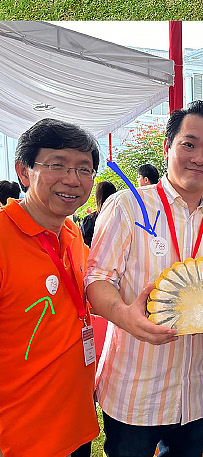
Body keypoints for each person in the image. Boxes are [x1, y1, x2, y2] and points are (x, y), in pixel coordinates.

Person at [85, 102, 203, 457]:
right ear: (167, 147)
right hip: (133, 393)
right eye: (190, 144)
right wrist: (126, 317)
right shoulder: (127, 206)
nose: (201, 157)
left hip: (193, 395)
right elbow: (96, 279)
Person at [0, 118, 101, 457]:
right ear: (24, 171)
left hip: (75, 427)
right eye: (57, 164)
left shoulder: (72, 234)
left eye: (84, 169)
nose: (72, 180)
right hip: (19, 439)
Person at [81, 179, 117, 246]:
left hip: (91, 255)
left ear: (97, 197)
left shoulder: (89, 220)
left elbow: (82, 243)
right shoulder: (120, 218)